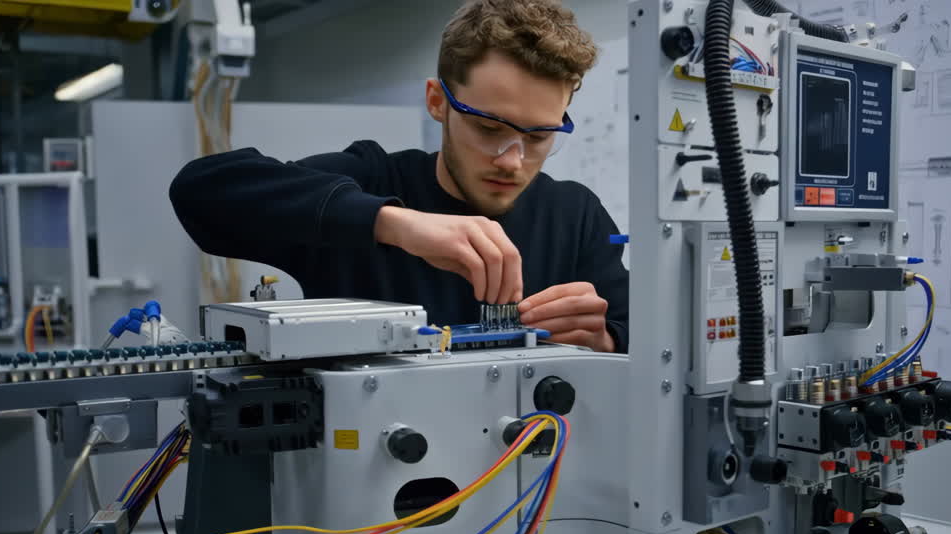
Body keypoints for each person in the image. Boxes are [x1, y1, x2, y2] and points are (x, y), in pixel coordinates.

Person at [169, 0, 628, 352]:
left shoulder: (576, 213)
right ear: (437, 102)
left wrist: (604, 340)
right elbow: (201, 191)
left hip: (533, 466)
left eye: (539, 136)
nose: (513, 160)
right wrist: (394, 224)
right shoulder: (372, 178)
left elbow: (648, 345)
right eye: (490, 129)